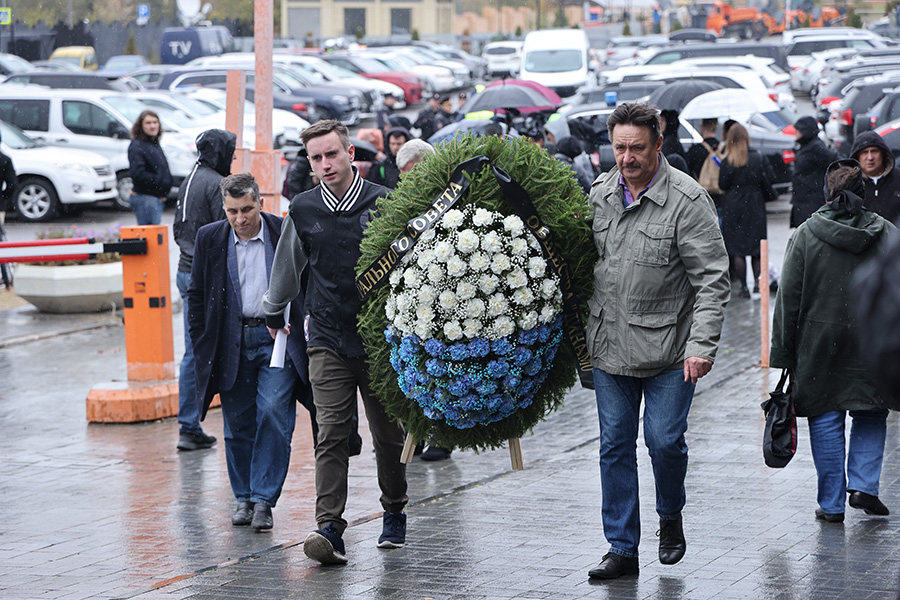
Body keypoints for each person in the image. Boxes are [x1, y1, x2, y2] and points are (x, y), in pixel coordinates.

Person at [586, 103, 730, 580]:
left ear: (658, 145)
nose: (627, 157)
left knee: (664, 441)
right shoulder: (601, 194)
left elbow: (712, 279)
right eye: (619, 147)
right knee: (614, 446)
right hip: (609, 348)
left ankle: (670, 515)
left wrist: (702, 345)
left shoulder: (687, 201)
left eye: (637, 148)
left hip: (671, 350)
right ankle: (622, 547)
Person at [262, 120, 408, 565]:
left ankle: (394, 510)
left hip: (379, 340)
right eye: (316, 158)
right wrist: (273, 308)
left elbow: (408, 268)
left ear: (350, 153)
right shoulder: (303, 209)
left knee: (387, 435)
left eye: (332, 154)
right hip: (325, 336)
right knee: (331, 433)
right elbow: (288, 264)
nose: (325, 164)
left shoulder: (383, 204)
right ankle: (330, 527)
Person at [771, 159, 898, 523]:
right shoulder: (886, 232)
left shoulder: (807, 233)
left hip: (818, 342)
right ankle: (863, 486)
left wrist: (782, 352)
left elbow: (788, 298)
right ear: (862, 194)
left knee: (826, 419)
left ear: (828, 192)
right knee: (871, 411)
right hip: (872, 340)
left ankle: (831, 504)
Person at [187, 172, 310, 531]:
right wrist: (200, 339)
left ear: (260, 202)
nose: (240, 218)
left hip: (278, 341)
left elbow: (305, 279)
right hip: (231, 342)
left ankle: (264, 500)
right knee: (237, 423)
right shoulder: (210, 238)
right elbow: (196, 293)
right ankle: (243, 497)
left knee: (273, 413)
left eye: (246, 209)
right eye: (232, 211)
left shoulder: (282, 230)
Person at [172, 128, 237, 452]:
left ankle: (189, 422)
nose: (233, 158)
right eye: (231, 152)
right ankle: (190, 423)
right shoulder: (214, 183)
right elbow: (224, 233)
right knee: (206, 350)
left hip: (185, 270)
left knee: (193, 350)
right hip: (203, 276)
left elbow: (177, 228)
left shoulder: (191, 177)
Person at [718, 122, 777, 298]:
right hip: (755, 205)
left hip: (733, 207)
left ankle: (743, 287)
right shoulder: (758, 157)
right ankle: (759, 285)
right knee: (756, 248)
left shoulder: (727, 161)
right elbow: (771, 178)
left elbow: (722, 184)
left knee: (738, 250)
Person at [790, 116, 838, 228]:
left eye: (799, 130)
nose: (796, 132)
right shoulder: (805, 146)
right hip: (804, 199)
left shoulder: (816, 147)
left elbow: (836, 159)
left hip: (812, 200)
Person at [127, 110, 172, 225]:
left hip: (154, 199)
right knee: (149, 239)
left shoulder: (153, 143)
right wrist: (160, 182)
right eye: (148, 123)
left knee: (154, 239)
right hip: (146, 199)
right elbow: (138, 174)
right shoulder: (137, 146)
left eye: (155, 122)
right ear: (140, 126)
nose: (152, 126)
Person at [848, 130, 900, 223]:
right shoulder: (851, 185)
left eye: (874, 151)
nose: (870, 157)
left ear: (883, 154)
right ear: (857, 157)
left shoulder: (898, 178)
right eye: (865, 152)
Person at [659, 109, 689, 174]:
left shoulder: (669, 143)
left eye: (663, 121)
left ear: (669, 123)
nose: (660, 123)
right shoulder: (674, 140)